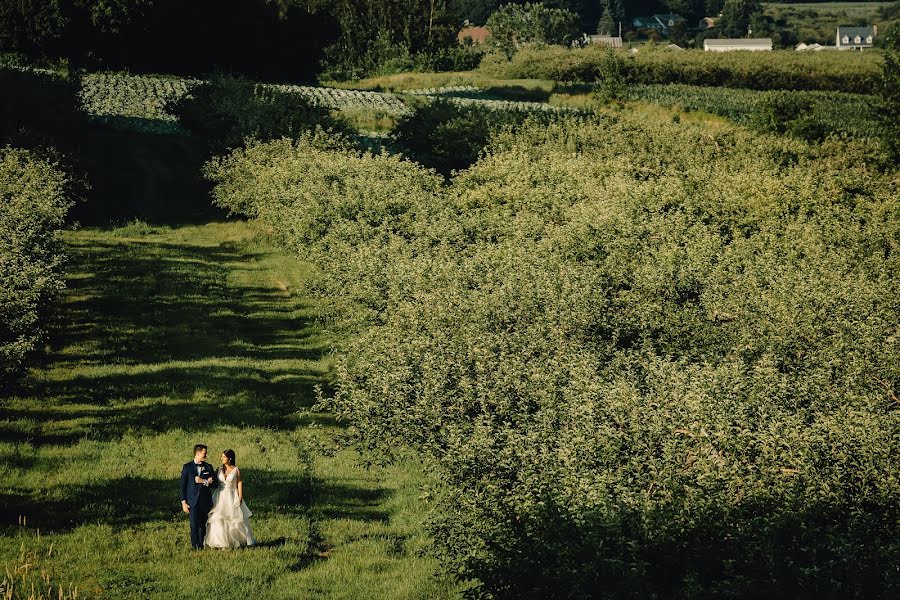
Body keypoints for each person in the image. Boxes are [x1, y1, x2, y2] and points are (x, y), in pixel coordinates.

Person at [204, 449, 256, 548]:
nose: (221, 458)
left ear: (230, 458)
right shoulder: (218, 469)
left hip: (232, 495)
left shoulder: (236, 470)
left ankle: (235, 541)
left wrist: (240, 495)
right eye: (221, 457)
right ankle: (220, 542)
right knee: (219, 518)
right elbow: (214, 481)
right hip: (220, 495)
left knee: (233, 518)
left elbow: (239, 482)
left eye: (224, 457)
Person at [180, 443, 219, 549]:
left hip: (204, 501)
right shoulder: (187, 467)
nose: (206, 456)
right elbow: (183, 486)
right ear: (197, 453)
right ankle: (194, 546)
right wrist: (184, 502)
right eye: (204, 453)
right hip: (192, 501)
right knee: (193, 525)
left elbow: (215, 484)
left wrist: (204, 481)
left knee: (202, 525)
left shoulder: (208, 467)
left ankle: (201, 546)